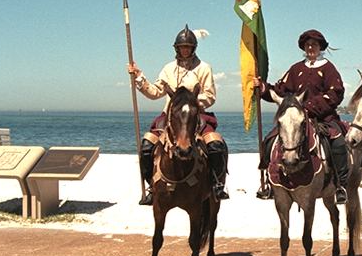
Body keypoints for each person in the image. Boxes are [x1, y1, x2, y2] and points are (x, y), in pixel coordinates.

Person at [127, 24, 229, 206]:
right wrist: (139, 78)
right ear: (177, 48)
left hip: (196, 115)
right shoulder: (168, 68)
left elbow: (210, 95)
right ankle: (151, 187)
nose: (185, 50)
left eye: (188, 47)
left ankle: (216, 184)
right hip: (170, 117)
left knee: (215, 145)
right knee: (146, 145)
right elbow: (156, 91)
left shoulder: (204, 68)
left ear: (193, 48)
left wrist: (192, 105)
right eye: (182, 47)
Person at [253, 29, 349, 204]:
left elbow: (336, 93)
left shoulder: (328, 68)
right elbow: (280, 90)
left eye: (314, 44)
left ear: (321, 47)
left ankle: (341, 185)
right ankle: (269, 182)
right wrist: (263, 88)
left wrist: (309, 108)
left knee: (338, 142)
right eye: (307, 45)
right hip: (296, 119)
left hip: (323, 118)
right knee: (270, 139)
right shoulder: (296, 69)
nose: (311, 47)